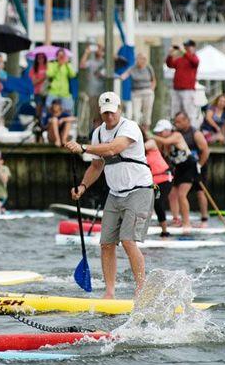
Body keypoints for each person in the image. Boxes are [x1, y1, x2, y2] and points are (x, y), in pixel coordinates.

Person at [65, 92, 153, 298]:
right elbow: (96, 166)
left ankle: (142, 290)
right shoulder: (98, 133)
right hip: (115, 193)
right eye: (105, 113)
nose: (109, 117)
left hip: (140, 189)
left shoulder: (129, 127)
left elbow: (114, 148)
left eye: (112, 112)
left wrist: (83, 147)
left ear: (119, 109)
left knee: (128, 240)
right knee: (106, 244)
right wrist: (83, 187)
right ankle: (109, 293)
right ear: (101, 112)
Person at [152, 119, 197, 231]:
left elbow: (166, 142)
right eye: (157, 132)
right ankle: (176, 219)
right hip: (178, 169)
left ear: (167, 130)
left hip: (189, 166)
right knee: (172, 195)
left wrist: (151, 136)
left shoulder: (176, 135)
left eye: (160, 132)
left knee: (182, 195)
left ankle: (186, 223)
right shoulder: (164, 141)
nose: (158, 134)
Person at [173, 111, 210, 227]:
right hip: (184, 166)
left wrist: (199, 165)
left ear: (186, 121)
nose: (176, 124)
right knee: (177, 192)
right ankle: (179, 219)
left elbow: (205, 151)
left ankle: (204, 219)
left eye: (179, 122)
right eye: (176, 122)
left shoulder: (196, 133)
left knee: (200, 192)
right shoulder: (176, 133)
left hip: (198, 166)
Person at [142, 127, 172, 236]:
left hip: (165, 178)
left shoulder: (151, 143)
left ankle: (165, 232)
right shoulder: (137, 152)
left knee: (158, 203)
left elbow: (141, 147)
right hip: (152, 182)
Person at [166, 40, 199, 125]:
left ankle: (192, 129)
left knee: (189, 112)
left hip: (188, 90)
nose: (186, 48)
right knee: (175, 111)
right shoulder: (180, 59)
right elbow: (170, 65)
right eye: (185, 46)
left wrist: (184, 51)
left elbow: (195, 62)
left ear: (193, 47)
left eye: (188, 46)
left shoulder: (194, 58)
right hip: (177, 89)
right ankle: (177, 128)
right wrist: (170, 54)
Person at [120, 53, 156, 130]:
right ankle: (137, 131)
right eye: (139, 59)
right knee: (136, 114)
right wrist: (120, 78)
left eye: (143, 59)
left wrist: (151, 90)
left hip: (147, 92)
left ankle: (146, 131)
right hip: (136, 92)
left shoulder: (148, 68)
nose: (141, 61)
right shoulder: (133, 68)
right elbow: (125, 75)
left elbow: (153, 80)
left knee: (147, 113)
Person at [80, 43, 106, 127]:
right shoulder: (91, 62)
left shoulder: (105, 63)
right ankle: (96, 134)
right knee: (95, 115)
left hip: (103, 93)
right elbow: (82, 65)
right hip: (93, 93)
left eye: (100, 50)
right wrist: (87, 52)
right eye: (97, 49)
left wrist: (103, 48)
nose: (98, 51)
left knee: (104, 115)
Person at [45, 49, 77, 113]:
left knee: (68, 110)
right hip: (53, 91)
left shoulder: (67, 65)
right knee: (49, 109)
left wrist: (67, 63)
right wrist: (58, 66)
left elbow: (73, 75)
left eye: (63, 55)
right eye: (59, 55)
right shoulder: (52, 64)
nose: (61, 57)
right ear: (56, 56)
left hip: (65, 92)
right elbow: (49, 74)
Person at [29, 53, 48, 119]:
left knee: (47, 108)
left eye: (42, 57)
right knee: (39, 107)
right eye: (39, 58)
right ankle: (38, 122)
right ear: (36, 59)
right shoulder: (34, 69)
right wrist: (44, 77)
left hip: (47, 91)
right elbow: (34, 82)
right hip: (38, 92)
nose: (41, 59)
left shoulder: (48, 67)